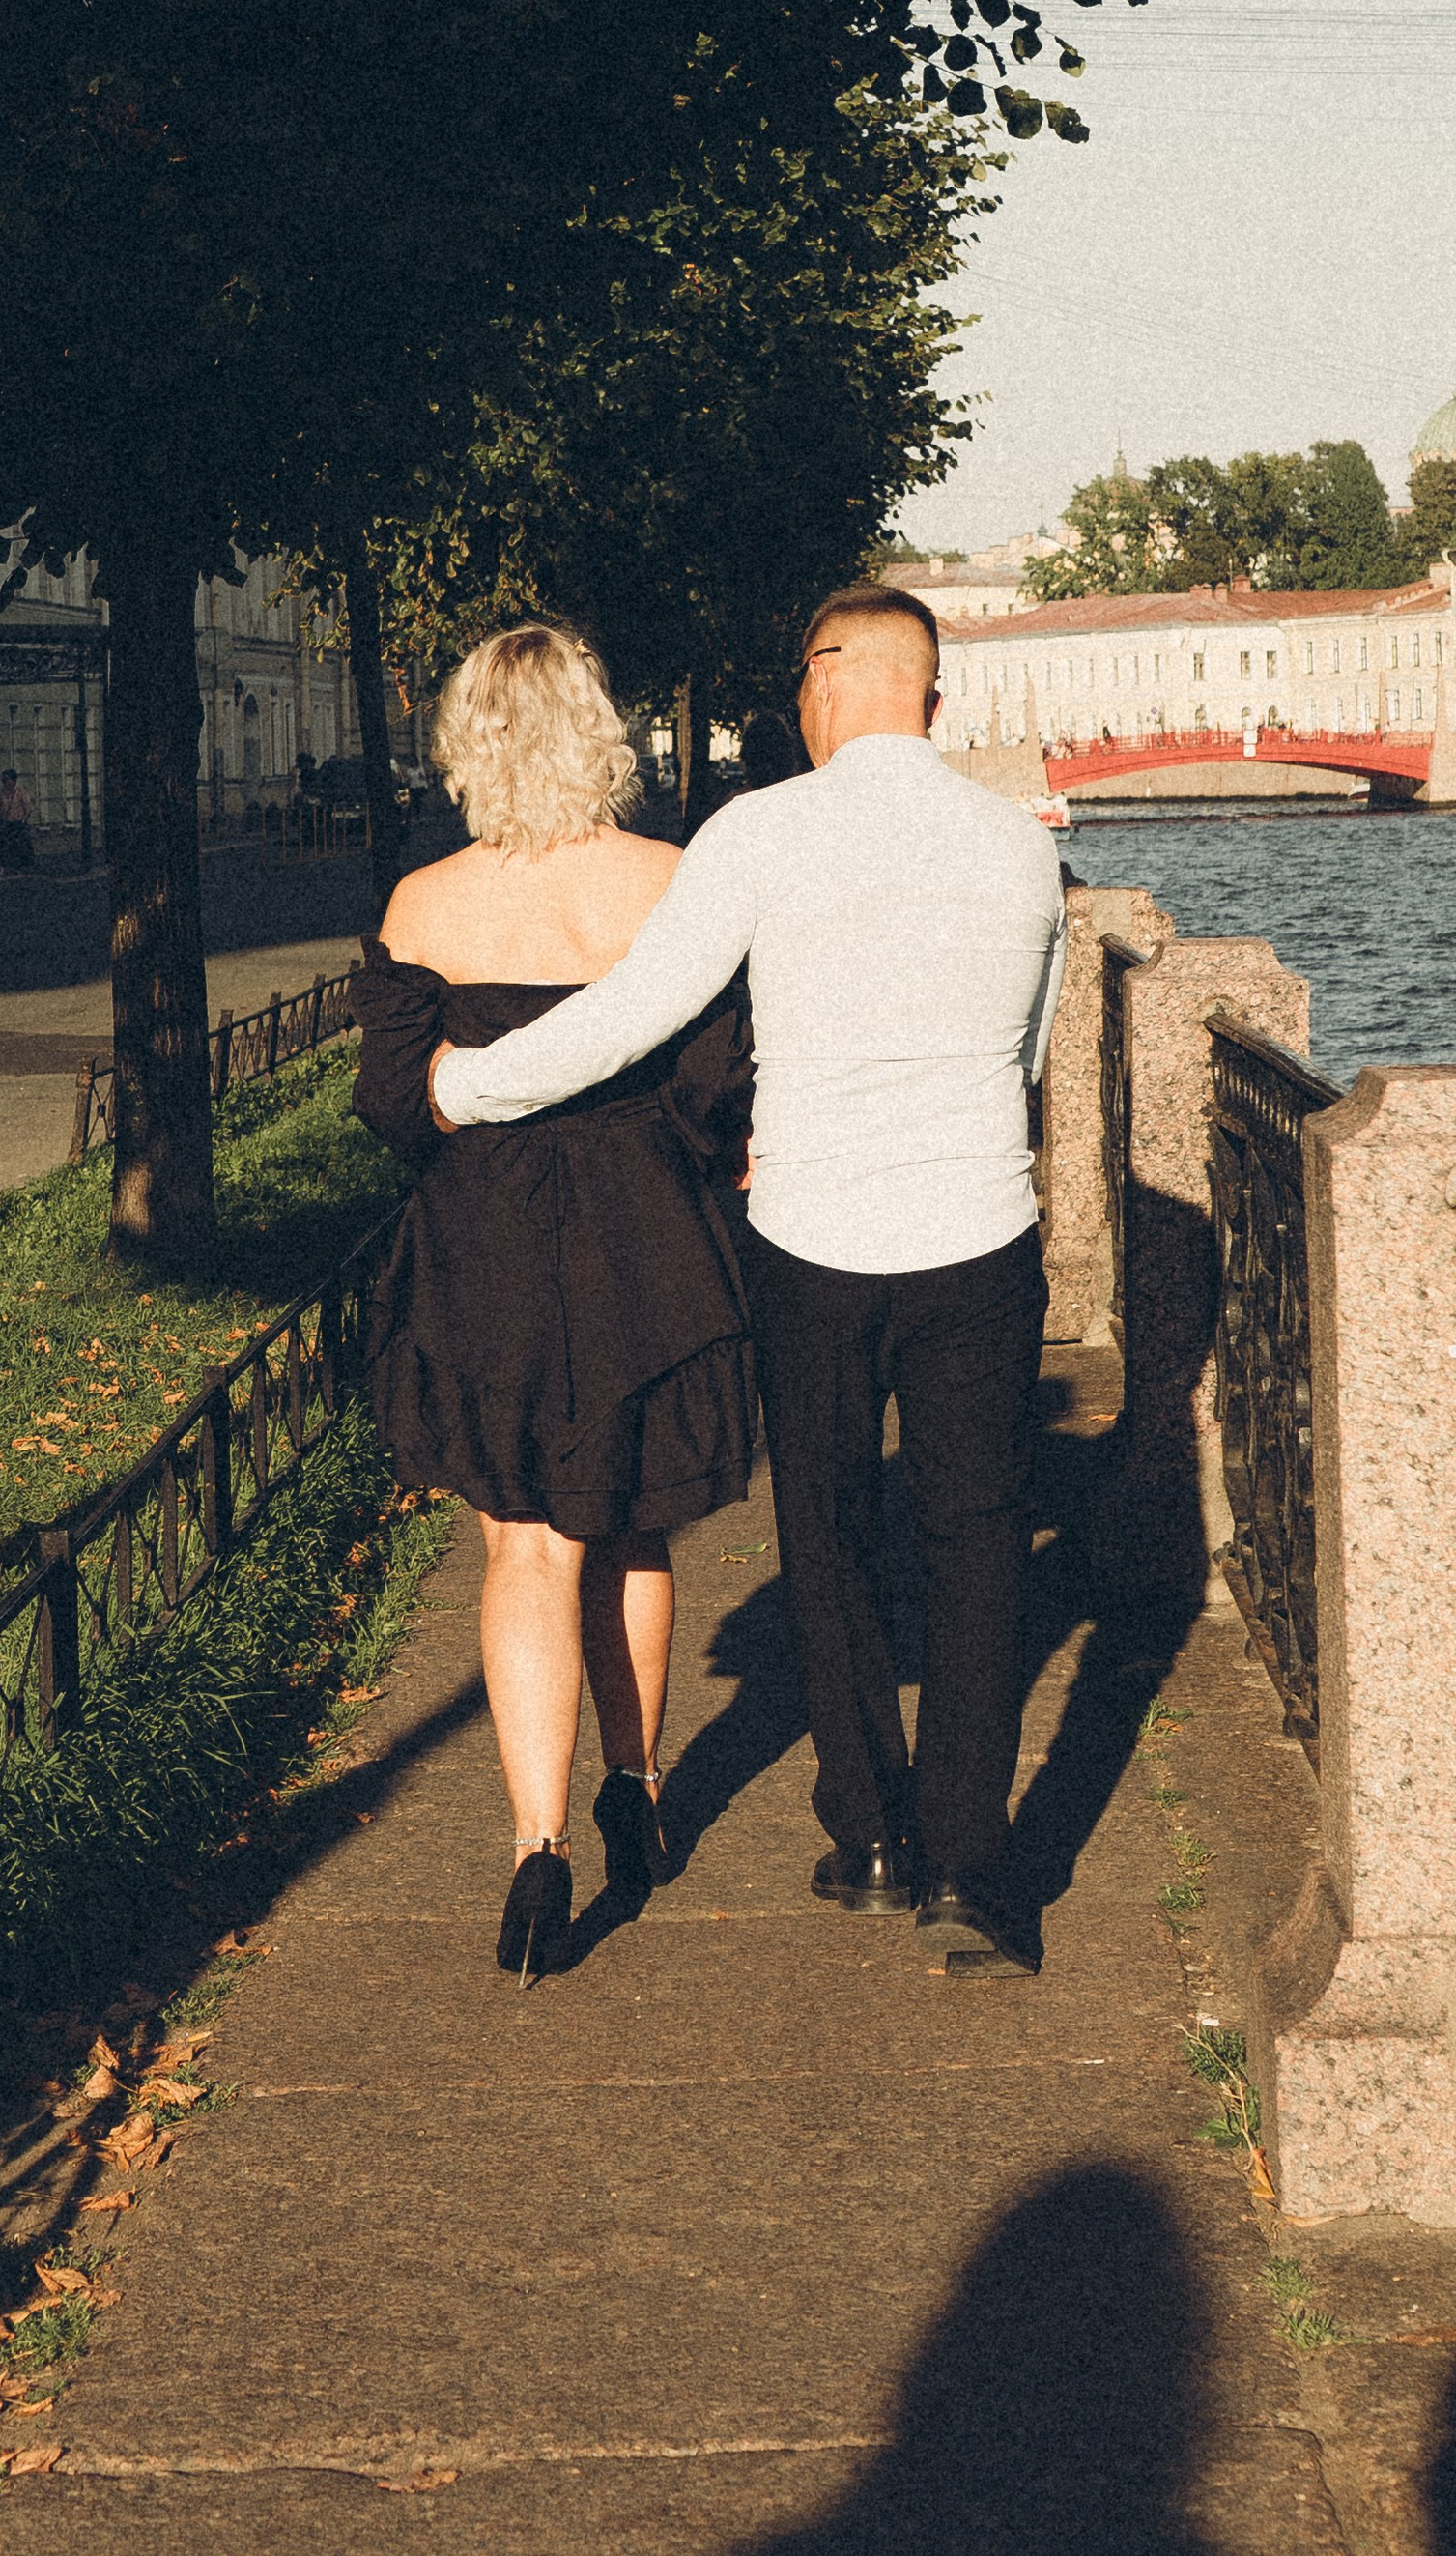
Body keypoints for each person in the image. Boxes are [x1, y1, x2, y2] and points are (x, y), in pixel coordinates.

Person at [432, 585, 1065, 1978]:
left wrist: (470, 1084)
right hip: (978, 1228)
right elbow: (1026, 1050)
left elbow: (632, 1017)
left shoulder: (762, 832)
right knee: (977, 1540)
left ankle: (872, 1835)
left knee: (828, 1531)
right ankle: (974, 1858)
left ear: (817, 687)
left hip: (815, 1238)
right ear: (937, 701)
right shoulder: (1020, 847)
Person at [352, 623, 754, 1987]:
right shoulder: (672, 883)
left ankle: (536, 1847)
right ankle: (635, 1784)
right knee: (633, 1526)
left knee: (523, 1548)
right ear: (602, 733)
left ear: (468, 743)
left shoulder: (424, 905)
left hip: (487, 1249)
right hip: (648, 1238)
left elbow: (393, 1108)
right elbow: (714, 1086)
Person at [0, 767, 35, 872]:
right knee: (3, 845)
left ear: (13, 780)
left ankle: (21, 866)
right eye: (4, 780)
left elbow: (28, 808)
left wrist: (23, 821)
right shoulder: (0, 793)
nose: (5, 783)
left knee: (19, 846)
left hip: (17, 823)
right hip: (5, 823)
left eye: (7, 780)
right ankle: (4, 866)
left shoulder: (21, 792)